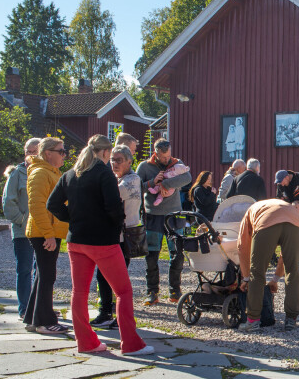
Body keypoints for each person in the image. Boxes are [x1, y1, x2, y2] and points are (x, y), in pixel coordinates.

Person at [47, 135, 153, 356]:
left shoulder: (70, 174)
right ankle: (131, 344)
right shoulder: (104, 173)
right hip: (103, 241)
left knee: (79, 292)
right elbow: (115, 208)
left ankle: (86, 343)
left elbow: (52, 204)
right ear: (105, 153)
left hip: (76, 241)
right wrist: (115, 227)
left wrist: (74, 219)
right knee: (123, 291)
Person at [90, 145, 141, 329]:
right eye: (112, 159)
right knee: (102, 275)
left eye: (119, 160)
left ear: (129, 161)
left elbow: (110, 195)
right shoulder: (114, 179)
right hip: (111, 235)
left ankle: (120, 315)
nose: (114, 163)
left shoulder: (132, 180)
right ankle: (106, 311)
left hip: (123, 237)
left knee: (118, 278)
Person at [136, 139, 192, 305]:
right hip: (153, 215)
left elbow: (187, 177)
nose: (167, 159)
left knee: (177, 253)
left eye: (168, 156)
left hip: (174, 214)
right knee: (152, 253)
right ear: (156, 153)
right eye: (163, 157)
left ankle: (175, 290)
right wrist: (153, 183)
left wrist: (165, 183)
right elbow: (137, 186)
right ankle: (152, 291)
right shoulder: (144, 166)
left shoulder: (177, 163)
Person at [23, 137, 69, 334]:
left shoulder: (51, 172)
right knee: (48, 275)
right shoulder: (41, 173)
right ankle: (44, 321)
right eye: (61, 151)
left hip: (49, 232)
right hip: (43, 233)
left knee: (44, 275)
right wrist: (48, 234)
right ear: (48, 153)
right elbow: (37, 207)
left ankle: (33, 318)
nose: (64, 155)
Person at [237, 199, 299, 332]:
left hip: (266, 221)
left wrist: (245, 278)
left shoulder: (250, 212)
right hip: (295, 219)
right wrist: (275, 279)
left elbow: (242, 246)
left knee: (257, 272)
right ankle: (291, 319)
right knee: (292, 270)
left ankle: (253, 321)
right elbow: (284, 257)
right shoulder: (280, 205)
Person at [2, 137, 41, 319]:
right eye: (30, 152)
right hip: (22, 231)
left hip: (41, 230)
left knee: (41, 271)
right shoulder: (17, 174)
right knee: (24, 270)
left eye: (36, 151)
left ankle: (39, 307)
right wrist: (22, 221)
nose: (32, 155)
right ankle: (24, 308)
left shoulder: (43, 172)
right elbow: (8, 202)